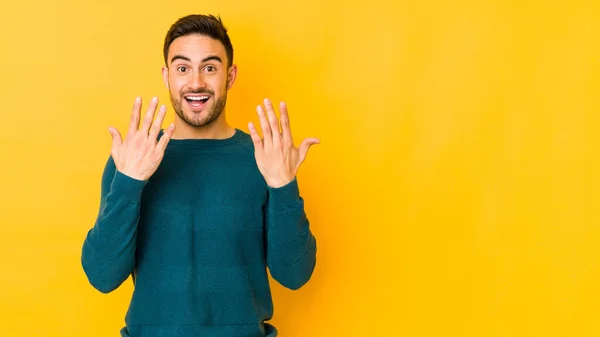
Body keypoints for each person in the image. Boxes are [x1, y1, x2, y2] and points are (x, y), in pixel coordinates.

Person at [80, 14, 319, 337]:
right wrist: (129, 183)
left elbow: (294, 274)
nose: (196, 83)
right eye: (182, 68)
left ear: (230, 76)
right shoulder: (132, 159)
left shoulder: (265, 159)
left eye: (210, 67)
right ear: (166, 76)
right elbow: (102, 276)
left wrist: (283, 186)